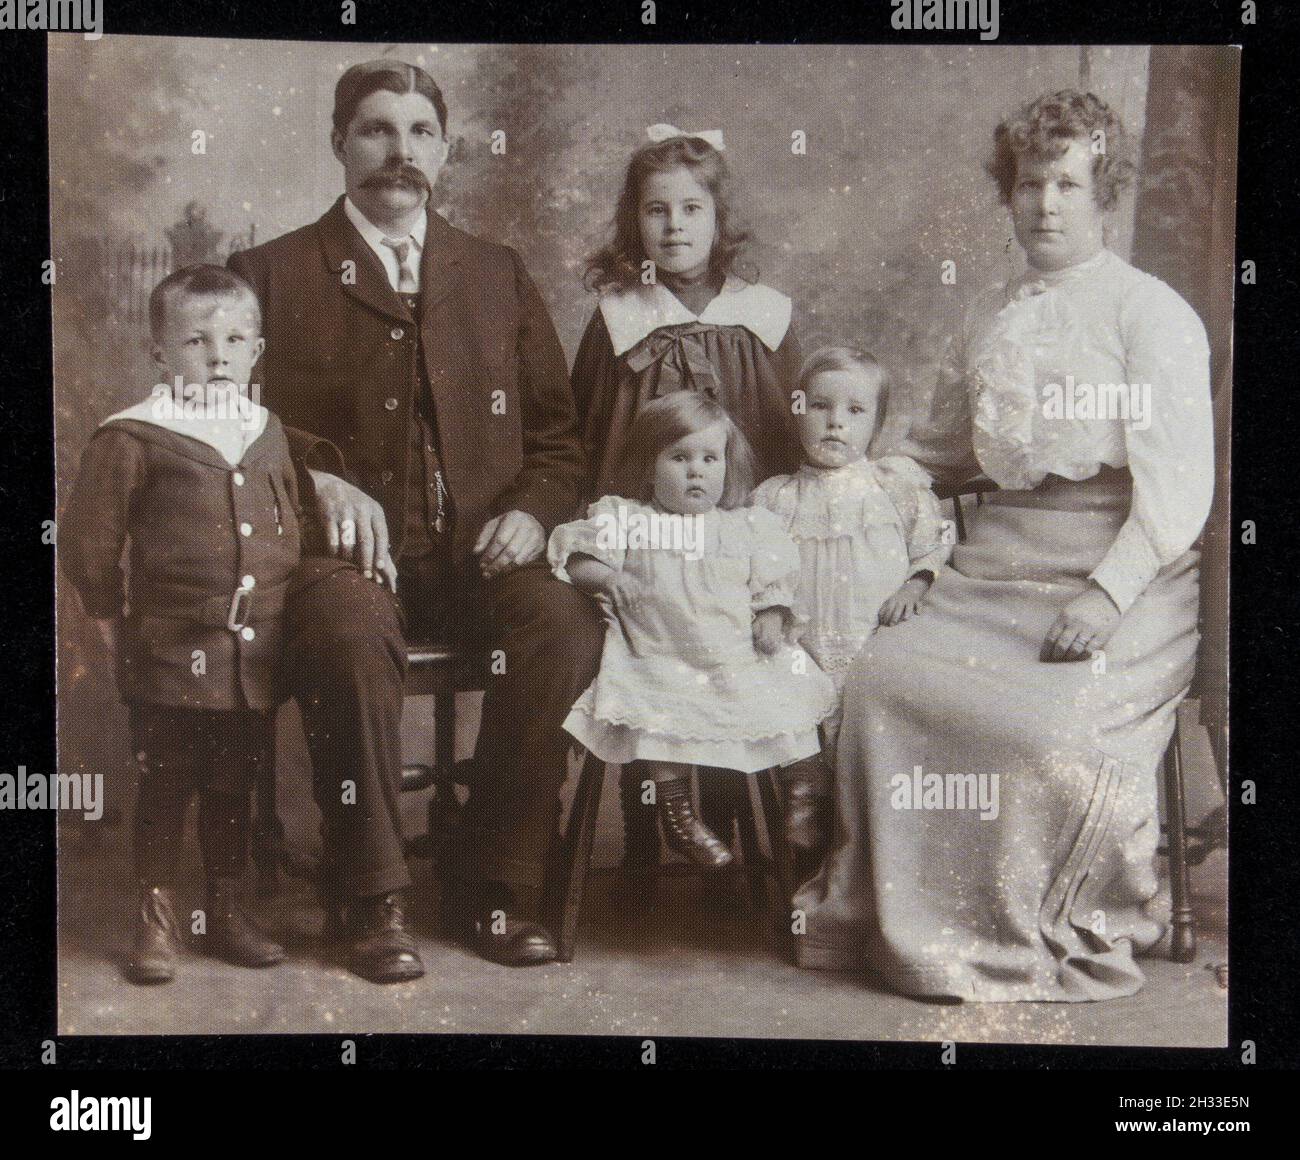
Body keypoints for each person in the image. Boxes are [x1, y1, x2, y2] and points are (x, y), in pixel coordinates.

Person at [793, 90, 1215, 1001]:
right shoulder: (993, 316)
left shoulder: (1152, 314)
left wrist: (1106, 594)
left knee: (1035, 726)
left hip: (1122, 571)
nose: (1046, 205)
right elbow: (939, 455)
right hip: (993, 566)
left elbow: (1179, 490)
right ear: (1009, 194)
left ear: (1104, 192)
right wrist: (849, 489)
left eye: (1068, 183)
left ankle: (1023, 927)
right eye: (1030, 184)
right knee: (882, 680)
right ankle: (902, 927)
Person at [228, 59, 603, 979]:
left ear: (445, 149)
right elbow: (226, 424)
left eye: (420, 133)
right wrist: (315, 475)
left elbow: (560, 440)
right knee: (349, 629)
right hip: (343, 563)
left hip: (480, 558)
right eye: (376, 130)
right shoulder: (270, 272)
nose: (400, 152)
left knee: (561, 623)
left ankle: (495, 884)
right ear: (338, 143)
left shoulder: (495, 273)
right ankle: (372, 898)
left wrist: (528, 511)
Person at [572, 125, 804, 867]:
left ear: (718, 219)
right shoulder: (617, 317)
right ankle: (648, 838)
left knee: (737, 654)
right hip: (645, 541)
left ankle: (748, 835)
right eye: (656, 211)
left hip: (734, 538)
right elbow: (585, 429)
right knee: (651, 652)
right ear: (633, 222)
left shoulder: (763, 318)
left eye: (691, 209)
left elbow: (791, 426)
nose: (674, 227)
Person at [60, 265, 298, 984]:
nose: (218, 356)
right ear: (161, 354)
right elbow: (87, 539)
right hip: (170, 650)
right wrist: (109, 616)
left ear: (256, 350)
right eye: (196, 341)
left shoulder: (264, 428)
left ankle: (225, 911)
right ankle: (155, 918)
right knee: (167, 784)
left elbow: (289, 519)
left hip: (252, 654)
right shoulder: (135, 435)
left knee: (233, 783)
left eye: (234, 339)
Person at [549, 392, 836, 865]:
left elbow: (773, 578)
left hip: (734, 653)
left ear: (727, 465)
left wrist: (771, 612)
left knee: (787, 686)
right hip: (658, 653)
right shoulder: (629, 519)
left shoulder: (745, 525)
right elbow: (576, 556)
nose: (696, 471)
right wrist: (609, 577)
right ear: (649, 464)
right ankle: (678, 813)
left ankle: (804, 787)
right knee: (657, 713)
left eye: (709, 458)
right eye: (679, 457)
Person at [750, 347, 950, 857]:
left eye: (855, 412)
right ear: (798, 412)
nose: (835, 422)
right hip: (804, 641)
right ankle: (805, 793)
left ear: (876, 424)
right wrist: (770, 609)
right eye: (819, 407)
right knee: (791, 696)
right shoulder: (775, 498)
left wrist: (914, 585)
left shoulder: (893, 488)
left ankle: (879, 837)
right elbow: (752, 565)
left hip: (874, 637)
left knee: (879, 714)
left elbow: (933, 542)